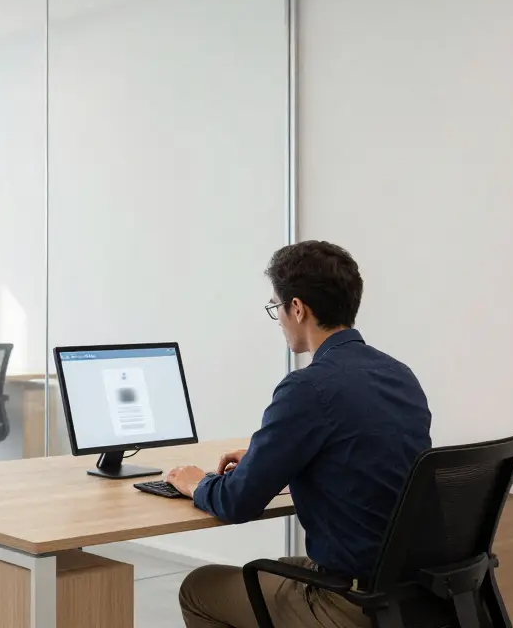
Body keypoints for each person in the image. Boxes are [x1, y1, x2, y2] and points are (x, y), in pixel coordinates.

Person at [165, 241, 432, 628]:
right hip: (412, 596)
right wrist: (269, 456)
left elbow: (237, 502)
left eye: (277, 307)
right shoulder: (399, 375)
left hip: (351, 602)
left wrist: (196, 483)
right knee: (281, 568)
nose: (279, 319)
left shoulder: (307, 388)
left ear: (297, 307)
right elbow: (361, 454)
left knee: (199, 586)